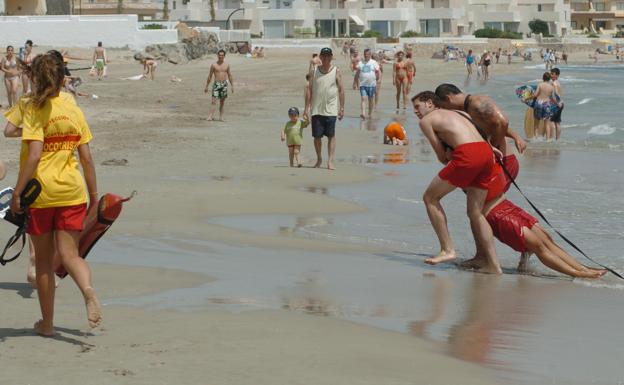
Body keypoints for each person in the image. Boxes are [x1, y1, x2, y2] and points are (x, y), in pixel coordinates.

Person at [4, 50, 101, 336]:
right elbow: (87, 158)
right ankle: (88, 290)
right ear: (61, 78)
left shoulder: (34, 107)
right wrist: (94, 196)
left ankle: (47, 325)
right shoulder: (72, 106)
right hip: (73, 192)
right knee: (71, 256)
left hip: (42, 194)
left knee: (45, 263)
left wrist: (18, 193)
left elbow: (34, 155)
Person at [412, 91, 503, 274]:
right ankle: (493, 265)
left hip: (468, 154)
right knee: (475, 213)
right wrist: (490, 149)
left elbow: (440, 155)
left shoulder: (426, 121)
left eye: (417, 106)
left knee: (430, 197)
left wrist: (448, 156)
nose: (416, 112)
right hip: (486, 153)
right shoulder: (461, 113)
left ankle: (447, 249)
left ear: (429, 103)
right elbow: (480, 134)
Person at [483, 192, 606, 278]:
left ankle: (582, 268)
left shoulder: (493, 156)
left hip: (507, 205)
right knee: (538, 246)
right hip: (495, 213)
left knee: (548, 239)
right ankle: (578, 273)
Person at [434, 83, 526, 154]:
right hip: (499, 158)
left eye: (443, 106)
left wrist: (492, 147)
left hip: (503, 160)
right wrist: (516, 137)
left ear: (447, 99)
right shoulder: (467, 108)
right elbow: (493, 123)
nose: (445, 110)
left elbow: (502, 122)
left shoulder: (476, 103)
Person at [304, 47, 345, 170]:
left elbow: (341, 90)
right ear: (320, 57)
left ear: (331, 57)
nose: (326, 58)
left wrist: (341, 108)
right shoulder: (314, 71)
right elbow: (309, 90)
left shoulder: (336, 71)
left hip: (331, 109)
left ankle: (330, 160)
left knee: (331, 135)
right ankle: (319, 158)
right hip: (316, 109)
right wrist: (306, 108)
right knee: (317, 137)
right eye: (324, 56)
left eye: (328, 56)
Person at [204, 49, 234, 122]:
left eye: (222, 55)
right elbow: (210, 76)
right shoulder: (214, 65)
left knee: (222, 102)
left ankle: (221, 117)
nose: (221, 56)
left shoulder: (227, 65)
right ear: (217, 55)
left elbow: (229, 75)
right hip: (216, 84)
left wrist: (232, 85)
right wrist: (207, 86)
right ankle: (210, 116)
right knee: (214, 101)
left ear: (224, 56)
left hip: (224, 84)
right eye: (219, 55)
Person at [352, 48, 379, 119]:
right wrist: (355, 82)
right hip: (363, 84)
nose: (366, 55)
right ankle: (363, 113)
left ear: (370, 55)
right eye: (365, 54)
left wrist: (377, 78)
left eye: (367, 54)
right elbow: (357, 74)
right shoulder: (360, 63)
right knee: (363, 99)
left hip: (372, 84)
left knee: (370, 99)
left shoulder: (374, 62)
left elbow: (377, 71)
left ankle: (370, 112)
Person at [531, 72, 557, 140]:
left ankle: (535, 139)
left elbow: (535, 95)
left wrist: (527, 98)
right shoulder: (551, 87)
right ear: (549, 79)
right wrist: (558, 104)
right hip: (547, 104)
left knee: (536, 123)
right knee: (547, 124)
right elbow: (553, 98)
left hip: (539, 103)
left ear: (543, 78)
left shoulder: (540, 85)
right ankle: (548, 140)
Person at [550, 68, 563, 140]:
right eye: (551, 73)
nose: (551, 75)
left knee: (551, 122)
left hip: (556, 104)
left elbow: (555, 94)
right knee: (557, 123)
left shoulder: (554, 83)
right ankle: (557, 139)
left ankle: (551, 139)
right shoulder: (558, 82)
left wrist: (556, 103)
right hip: (561, 103)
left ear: (557, 75)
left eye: (552, 74)